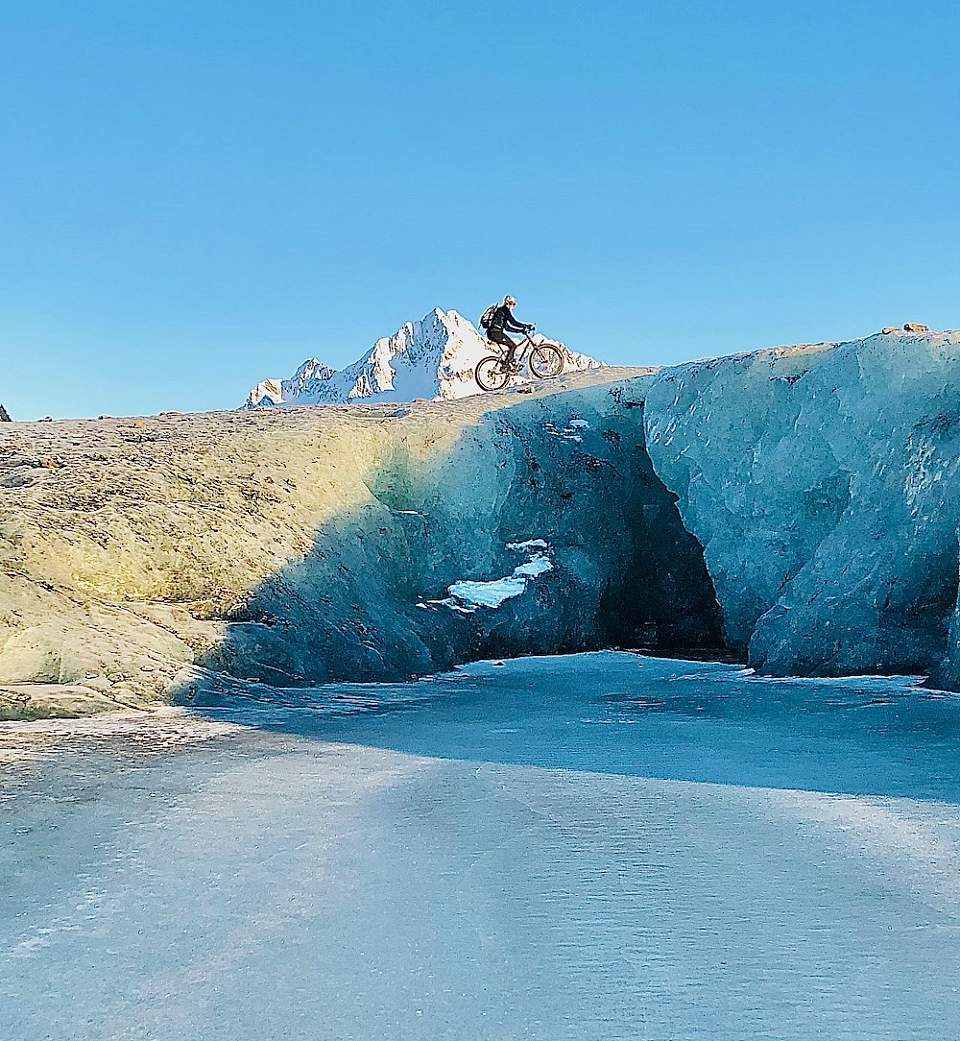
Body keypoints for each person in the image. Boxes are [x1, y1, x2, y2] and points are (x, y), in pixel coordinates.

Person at [486, 295, 534, 372]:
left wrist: (520, 331)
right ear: (507, 303)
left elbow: (508, 327)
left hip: (492, 333)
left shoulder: (501, 312)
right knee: (513, 346)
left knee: (511, 345)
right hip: (495, 333)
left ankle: (509, 364)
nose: (513, 306)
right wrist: (525, 326)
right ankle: (505, 366)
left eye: (514, 304)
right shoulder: (505, 310)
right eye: (512, 303)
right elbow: (513, 322)